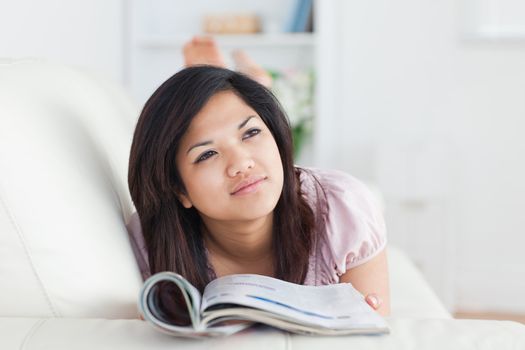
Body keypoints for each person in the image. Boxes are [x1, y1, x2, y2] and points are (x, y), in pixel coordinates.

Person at [126, 36, 390, 322]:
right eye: (207, 154)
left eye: (251, 133)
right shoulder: (149, 240)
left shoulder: (343, 208)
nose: (241, 163)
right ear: (179, 189)